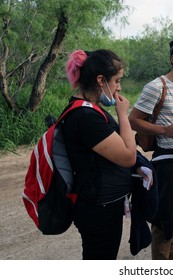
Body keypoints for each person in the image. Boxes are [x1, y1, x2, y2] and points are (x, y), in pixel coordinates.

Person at [63, 49, 142, 259]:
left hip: (102, 204)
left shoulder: (90, 109)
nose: (119, 87)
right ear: (101, 80)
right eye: (116, 81)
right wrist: (123, 115)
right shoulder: (85, 116)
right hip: (98, 208)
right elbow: (128, 156)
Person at [129, 38, 173, 260]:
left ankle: (170, 256)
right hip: (166, 163)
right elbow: (133, 120)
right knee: (163, 221)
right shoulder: (156, 86)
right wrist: (164, 130)